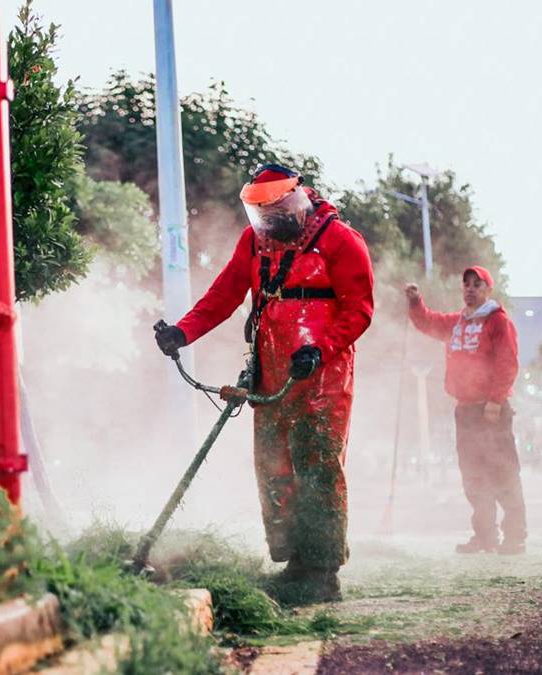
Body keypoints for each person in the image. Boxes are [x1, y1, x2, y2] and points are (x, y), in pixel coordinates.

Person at [154, 164, 374, 601]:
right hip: (271, 376)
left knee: (318, 469)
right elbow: (225, 293)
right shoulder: (255, 242)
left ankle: (322, 571)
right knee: (274, 469)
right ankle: (293, 562)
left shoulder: (340, 241)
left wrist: (321, 348)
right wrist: (183, 331)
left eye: (275, 214)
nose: (269, 225)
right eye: (262, 217)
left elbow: (360, 309)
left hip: (322, 377)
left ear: (297, 198)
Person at [404, 267, 526, 555]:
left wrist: (495, 401)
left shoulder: (498, 321)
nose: (470, 289)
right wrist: (414, 302)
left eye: (477, 284)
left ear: (488, 290)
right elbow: (428, 322)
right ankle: (484, 536)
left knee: (503, 473)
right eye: (466, 284)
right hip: (466, 410)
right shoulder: (457, 322)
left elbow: (507, 362)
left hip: (491, 409)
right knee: (473, 475)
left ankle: (515, 537)